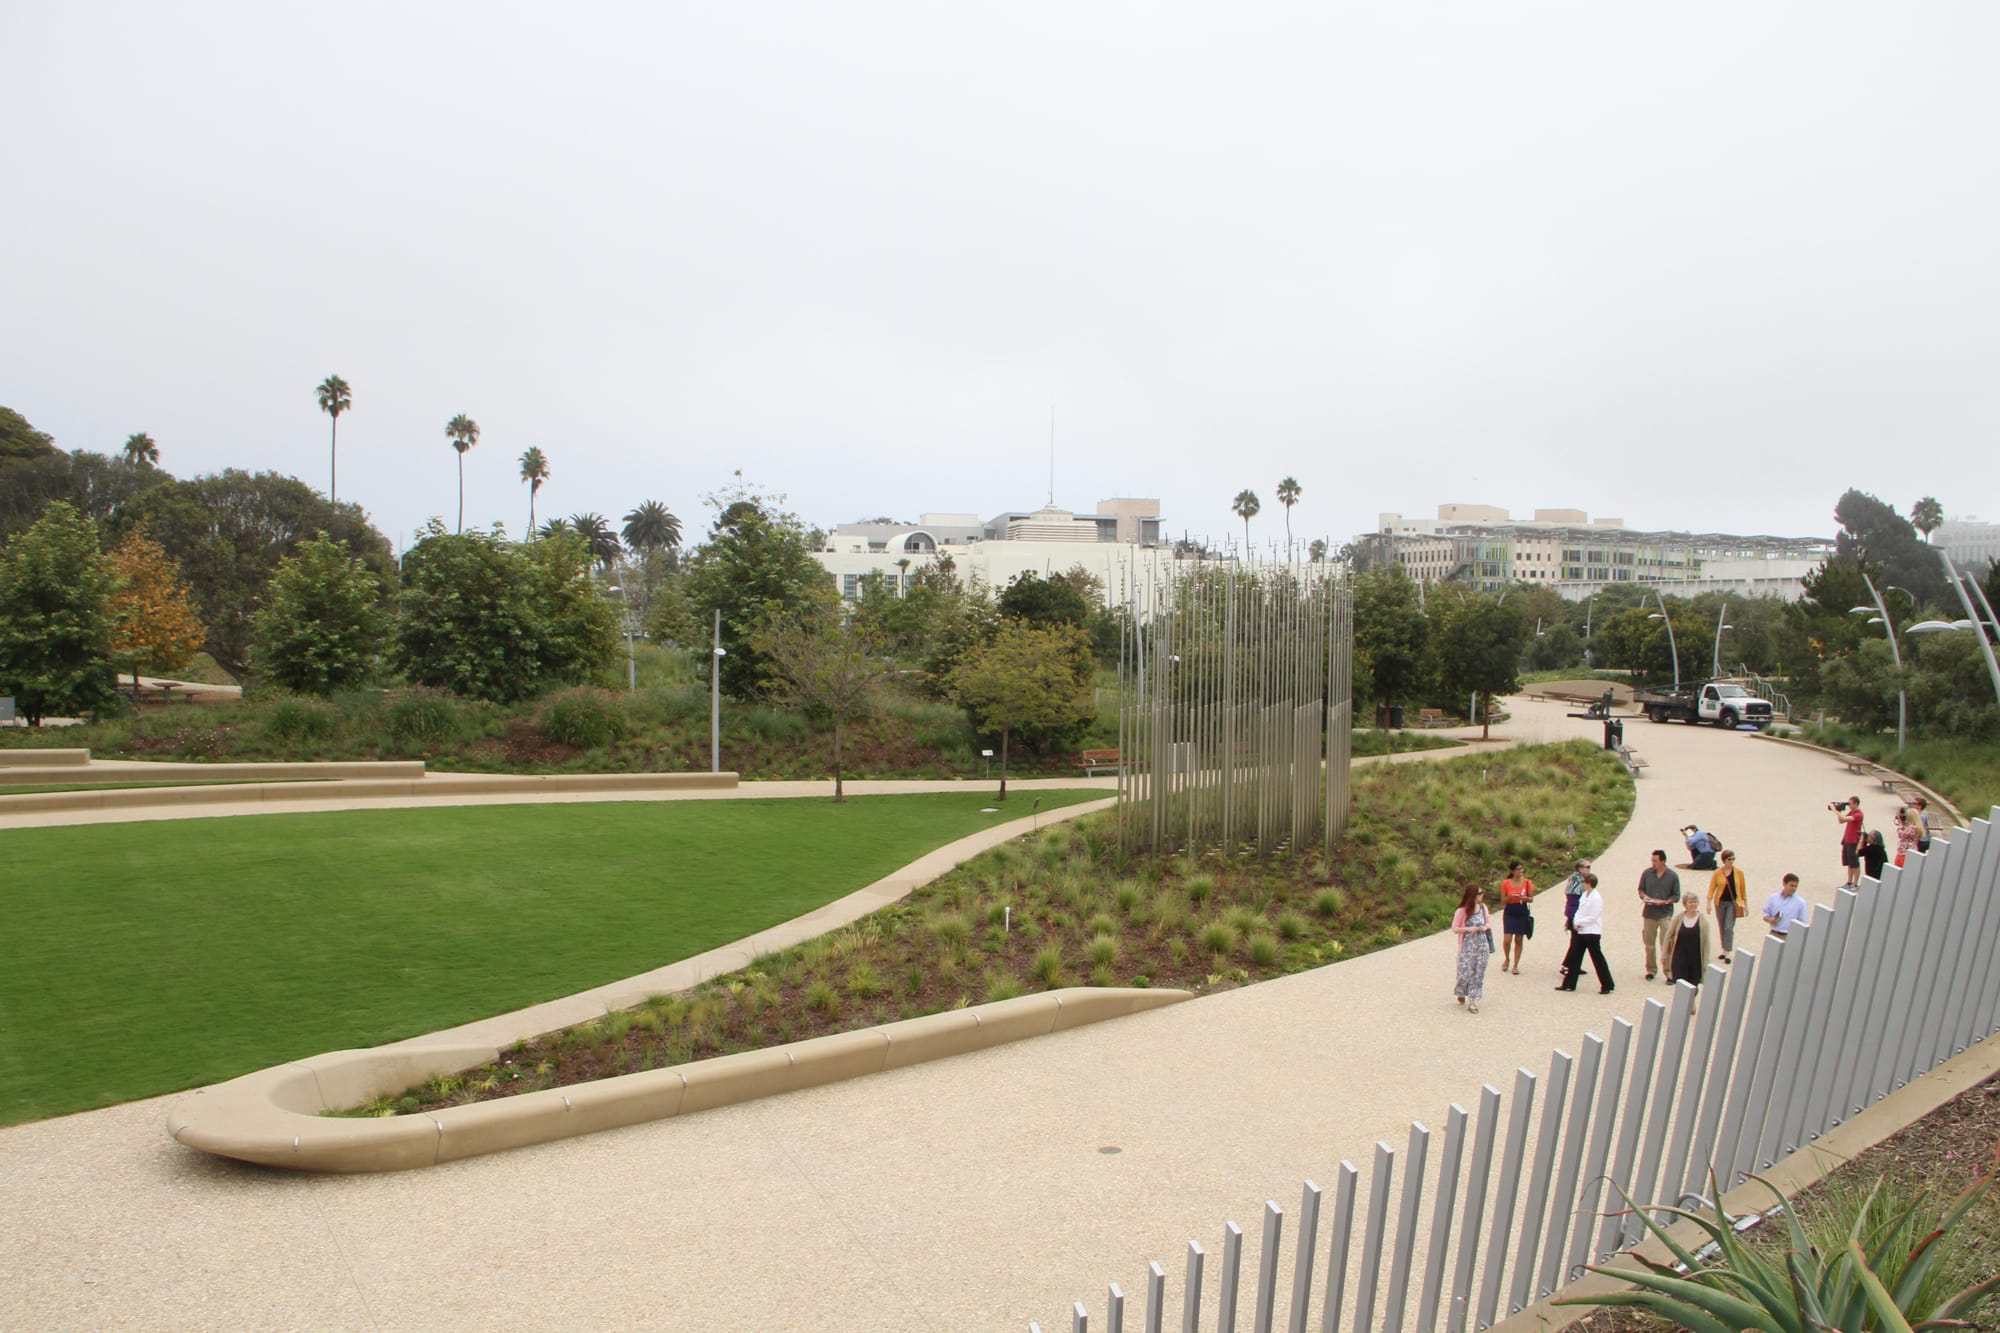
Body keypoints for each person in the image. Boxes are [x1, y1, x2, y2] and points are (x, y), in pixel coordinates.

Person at [1554, 872, 1614, 993]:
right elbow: (1579, 911)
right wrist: (1576, 922)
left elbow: (1593, 916)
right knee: (1575, 957)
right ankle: (1569, 984)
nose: (1582, 884)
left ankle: (1607, 984)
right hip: (1581, 931)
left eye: (1584, 882)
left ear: (1589, 883)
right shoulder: (1585, 895)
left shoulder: (1596, 898)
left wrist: (1580, 923)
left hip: (1591, 932)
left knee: (1597, 958)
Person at [1638, 849, 1681, 981]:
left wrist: (1666, 901)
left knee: (1666, 944)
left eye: (1655, 861)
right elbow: (1641, 889)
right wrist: (1644, 897)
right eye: (1652, 860)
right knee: (1649, 944)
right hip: (1649, 913)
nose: (1653, 863)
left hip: (1664, 914)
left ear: (1662, 861)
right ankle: (1651, 970)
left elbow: (1676, 896)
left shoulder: (1672, 876)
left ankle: (1668, 972)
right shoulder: (1647, 873)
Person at [1450, 883, 1494, 1013]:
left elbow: (1488, 922)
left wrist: (1484, 927)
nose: (1482, 896)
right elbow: (1455, 928)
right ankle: (1461, 991)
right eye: (1480, 894)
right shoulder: (1462, 911)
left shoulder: (1483, 908)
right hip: (1467, 947)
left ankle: (1473, 1000)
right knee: (1465, 973)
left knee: (1478, 973)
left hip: (1482, 945)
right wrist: (1469, 929)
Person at [1667, 892, 1714, 1006]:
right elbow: (1669, 935)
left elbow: (1706, 942)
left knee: (1693, 983)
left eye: (1695, 902)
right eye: (1690, 902)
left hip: (1695, 956)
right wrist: (1665, 954)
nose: (1693, 904)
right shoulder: (1679, 918)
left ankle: (1691, 1000)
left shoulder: (1703, 921)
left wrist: (1706, 961)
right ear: (1685, 904)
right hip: (1680, 954)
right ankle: (1684, 1004)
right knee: (1680, 980)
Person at [1707, 849, 1745, 961]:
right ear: (1724, 860)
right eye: (1729, 859)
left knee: (1729, 927)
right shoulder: (1717, 873)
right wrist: (1708, 902)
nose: (1732, 861)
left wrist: (1745, 903)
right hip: (1720, 903)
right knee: (1722, 926)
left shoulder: (1739, 873)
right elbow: (1712, 888)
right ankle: (1724, 949)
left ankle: (1727, 951)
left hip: (1733, 903)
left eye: (1733, 859)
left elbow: (1742, 888)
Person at [1498, 860, 1535, 975]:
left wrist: (1525, 898)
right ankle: (1507, 958)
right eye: (1518, 869)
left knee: (1519, 939)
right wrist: (1510, 896)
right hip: (1510, 911)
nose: (1521, 871)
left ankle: (1515, 965)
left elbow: (1531, 898)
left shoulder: (1527, 882)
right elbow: (1503, 901)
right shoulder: (1506, 883)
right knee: (1507, 939)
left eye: (1521, 869)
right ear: (1512, 871)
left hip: (1522, 910)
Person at [1763, 872, 1810, 939]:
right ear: (1784, 884)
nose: (1793, 888)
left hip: (1789, 937)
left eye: (1795, 886)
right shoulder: (1773, 898)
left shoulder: (1800, 903)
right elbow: (1765, 914)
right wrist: (1770, 920)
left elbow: (1802, 923)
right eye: (1791, 885)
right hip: (1773, 934)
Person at [1835, 796, 1864, 886]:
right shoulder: (1852, 812)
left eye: (1850, 804)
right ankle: (1849, 882)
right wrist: (1839, 811)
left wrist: (1834, 810)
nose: (1849, 806)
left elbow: (1844, 818)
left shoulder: (1859, 814)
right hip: (1847, 840)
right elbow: (1841, 821)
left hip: (1854, 841)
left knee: (1855, 864)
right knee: (1849, 863)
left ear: (1856, 803)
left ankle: (1855, 884)